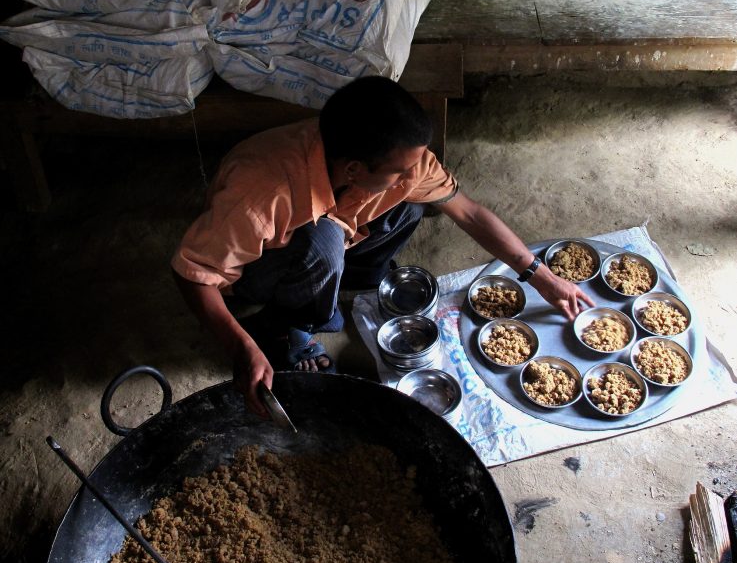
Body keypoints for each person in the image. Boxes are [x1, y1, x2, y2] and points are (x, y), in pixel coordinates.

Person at [172, 76, 594, 415]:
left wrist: (542, 276)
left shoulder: (395, 162)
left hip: (335, 223)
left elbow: (468, 213)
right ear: (354, 169)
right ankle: (287, 327)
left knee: (409, 206)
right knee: (322, 245)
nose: (413, 173)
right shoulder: (262, 198)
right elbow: (193, 277)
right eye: (400, 170)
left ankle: (344, 280)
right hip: (256, 269)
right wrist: (240, 345)